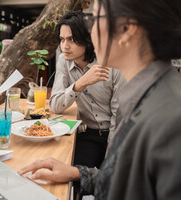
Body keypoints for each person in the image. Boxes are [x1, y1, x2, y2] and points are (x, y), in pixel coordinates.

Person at [19, 0, 181, 199]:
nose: (90, 31)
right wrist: (78, 173)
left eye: (94, 19)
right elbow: (130, 180)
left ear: (128, 29)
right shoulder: (143, 94)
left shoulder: (179, 122)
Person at [50, 11, 126, 170]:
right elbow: (55, 105)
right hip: (88, 135)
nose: (65, 46)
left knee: (111, 181)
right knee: (71, 177)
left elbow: (119, 118)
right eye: (62, 39)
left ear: (88, 39)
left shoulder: (113, 63)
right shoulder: (64, 61)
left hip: (119, 134)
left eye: (71, 39)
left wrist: (109, 162)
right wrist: (80, 84)